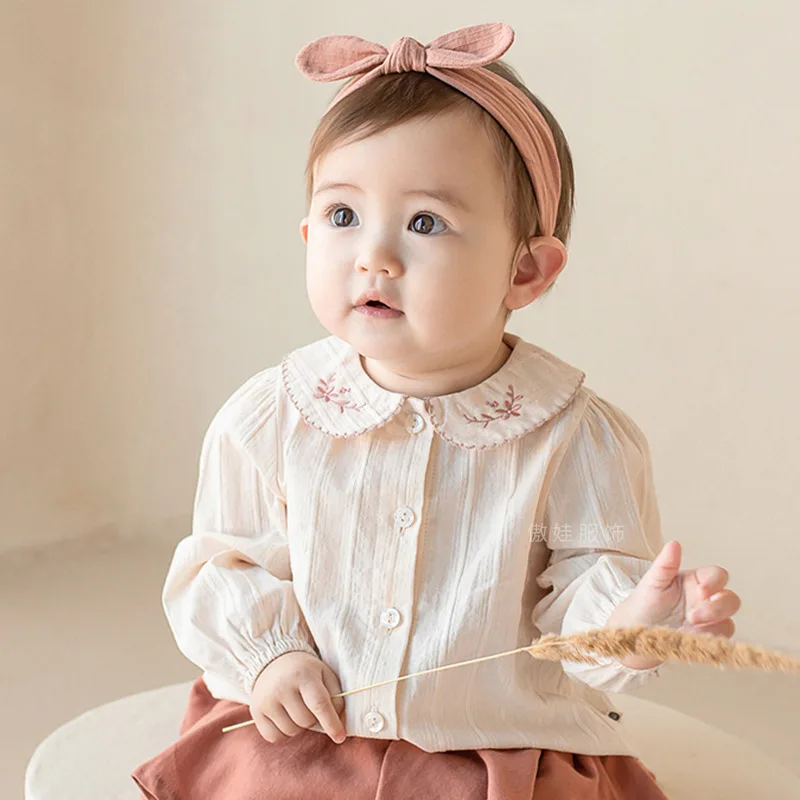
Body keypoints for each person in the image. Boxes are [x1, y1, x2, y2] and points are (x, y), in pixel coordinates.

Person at [132, 22, 741, 799]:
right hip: (309, 732)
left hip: (493, 753)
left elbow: (584, 605)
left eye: (425, 222)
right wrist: (270, 656)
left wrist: (635, 619)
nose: (373, 256)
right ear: (308, 232)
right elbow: (225, 563)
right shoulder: (274, 416)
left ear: (525, 271)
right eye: (344, 216)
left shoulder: (576, 438)